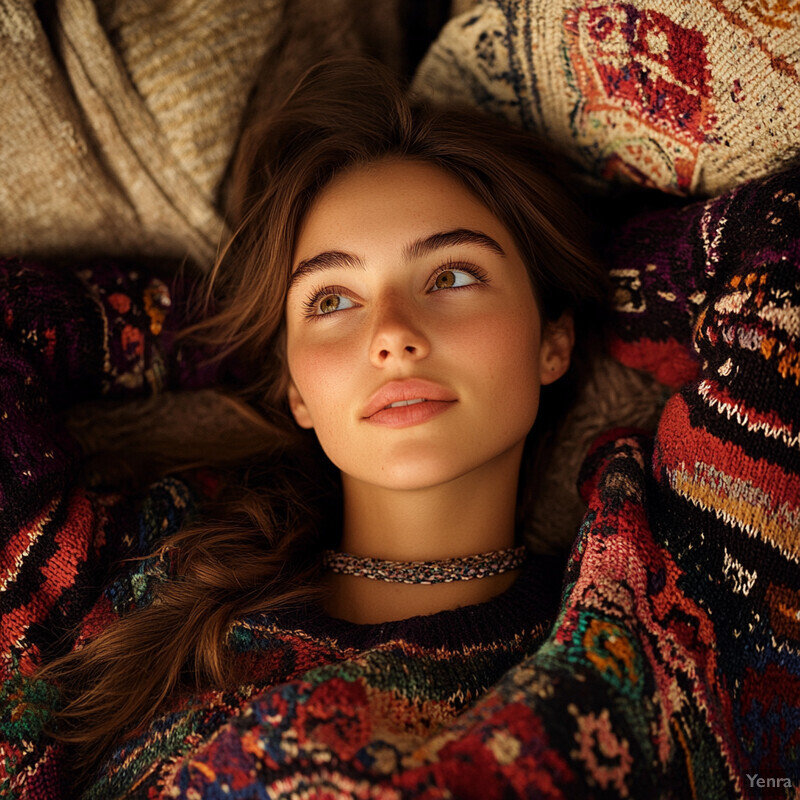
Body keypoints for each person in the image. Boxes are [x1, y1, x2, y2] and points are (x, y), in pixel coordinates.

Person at [1, 58, 798, 799]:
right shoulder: (149, 576)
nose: (390, 333)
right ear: (296, 390)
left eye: (452, 276)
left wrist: (593, 276)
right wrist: (230, 333)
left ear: (552, 340)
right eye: (331, 301)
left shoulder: (661, 597)